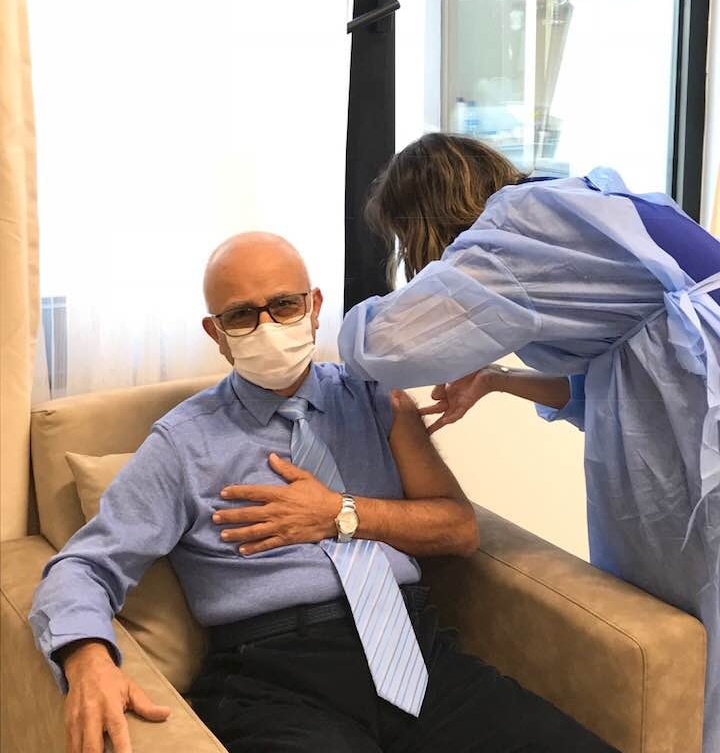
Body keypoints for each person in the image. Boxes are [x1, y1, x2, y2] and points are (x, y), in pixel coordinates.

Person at [30, 232, 617, 753]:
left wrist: (341, 513)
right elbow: (84, 566)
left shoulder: (376, 398)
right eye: (242, 315)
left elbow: (457, 528)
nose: (267, 327)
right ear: (217, 334)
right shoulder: (183, 443)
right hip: (277, 676)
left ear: (313, 308)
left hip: (416, 653)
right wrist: (86, 657)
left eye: (284, 304)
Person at [337, 132, 720, 753]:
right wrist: (497, 379)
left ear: (426, 219)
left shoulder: (522, 223)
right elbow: (620, 380)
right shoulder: (584, 205)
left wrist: (340, 327)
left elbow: (385, 347)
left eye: (407, 241)